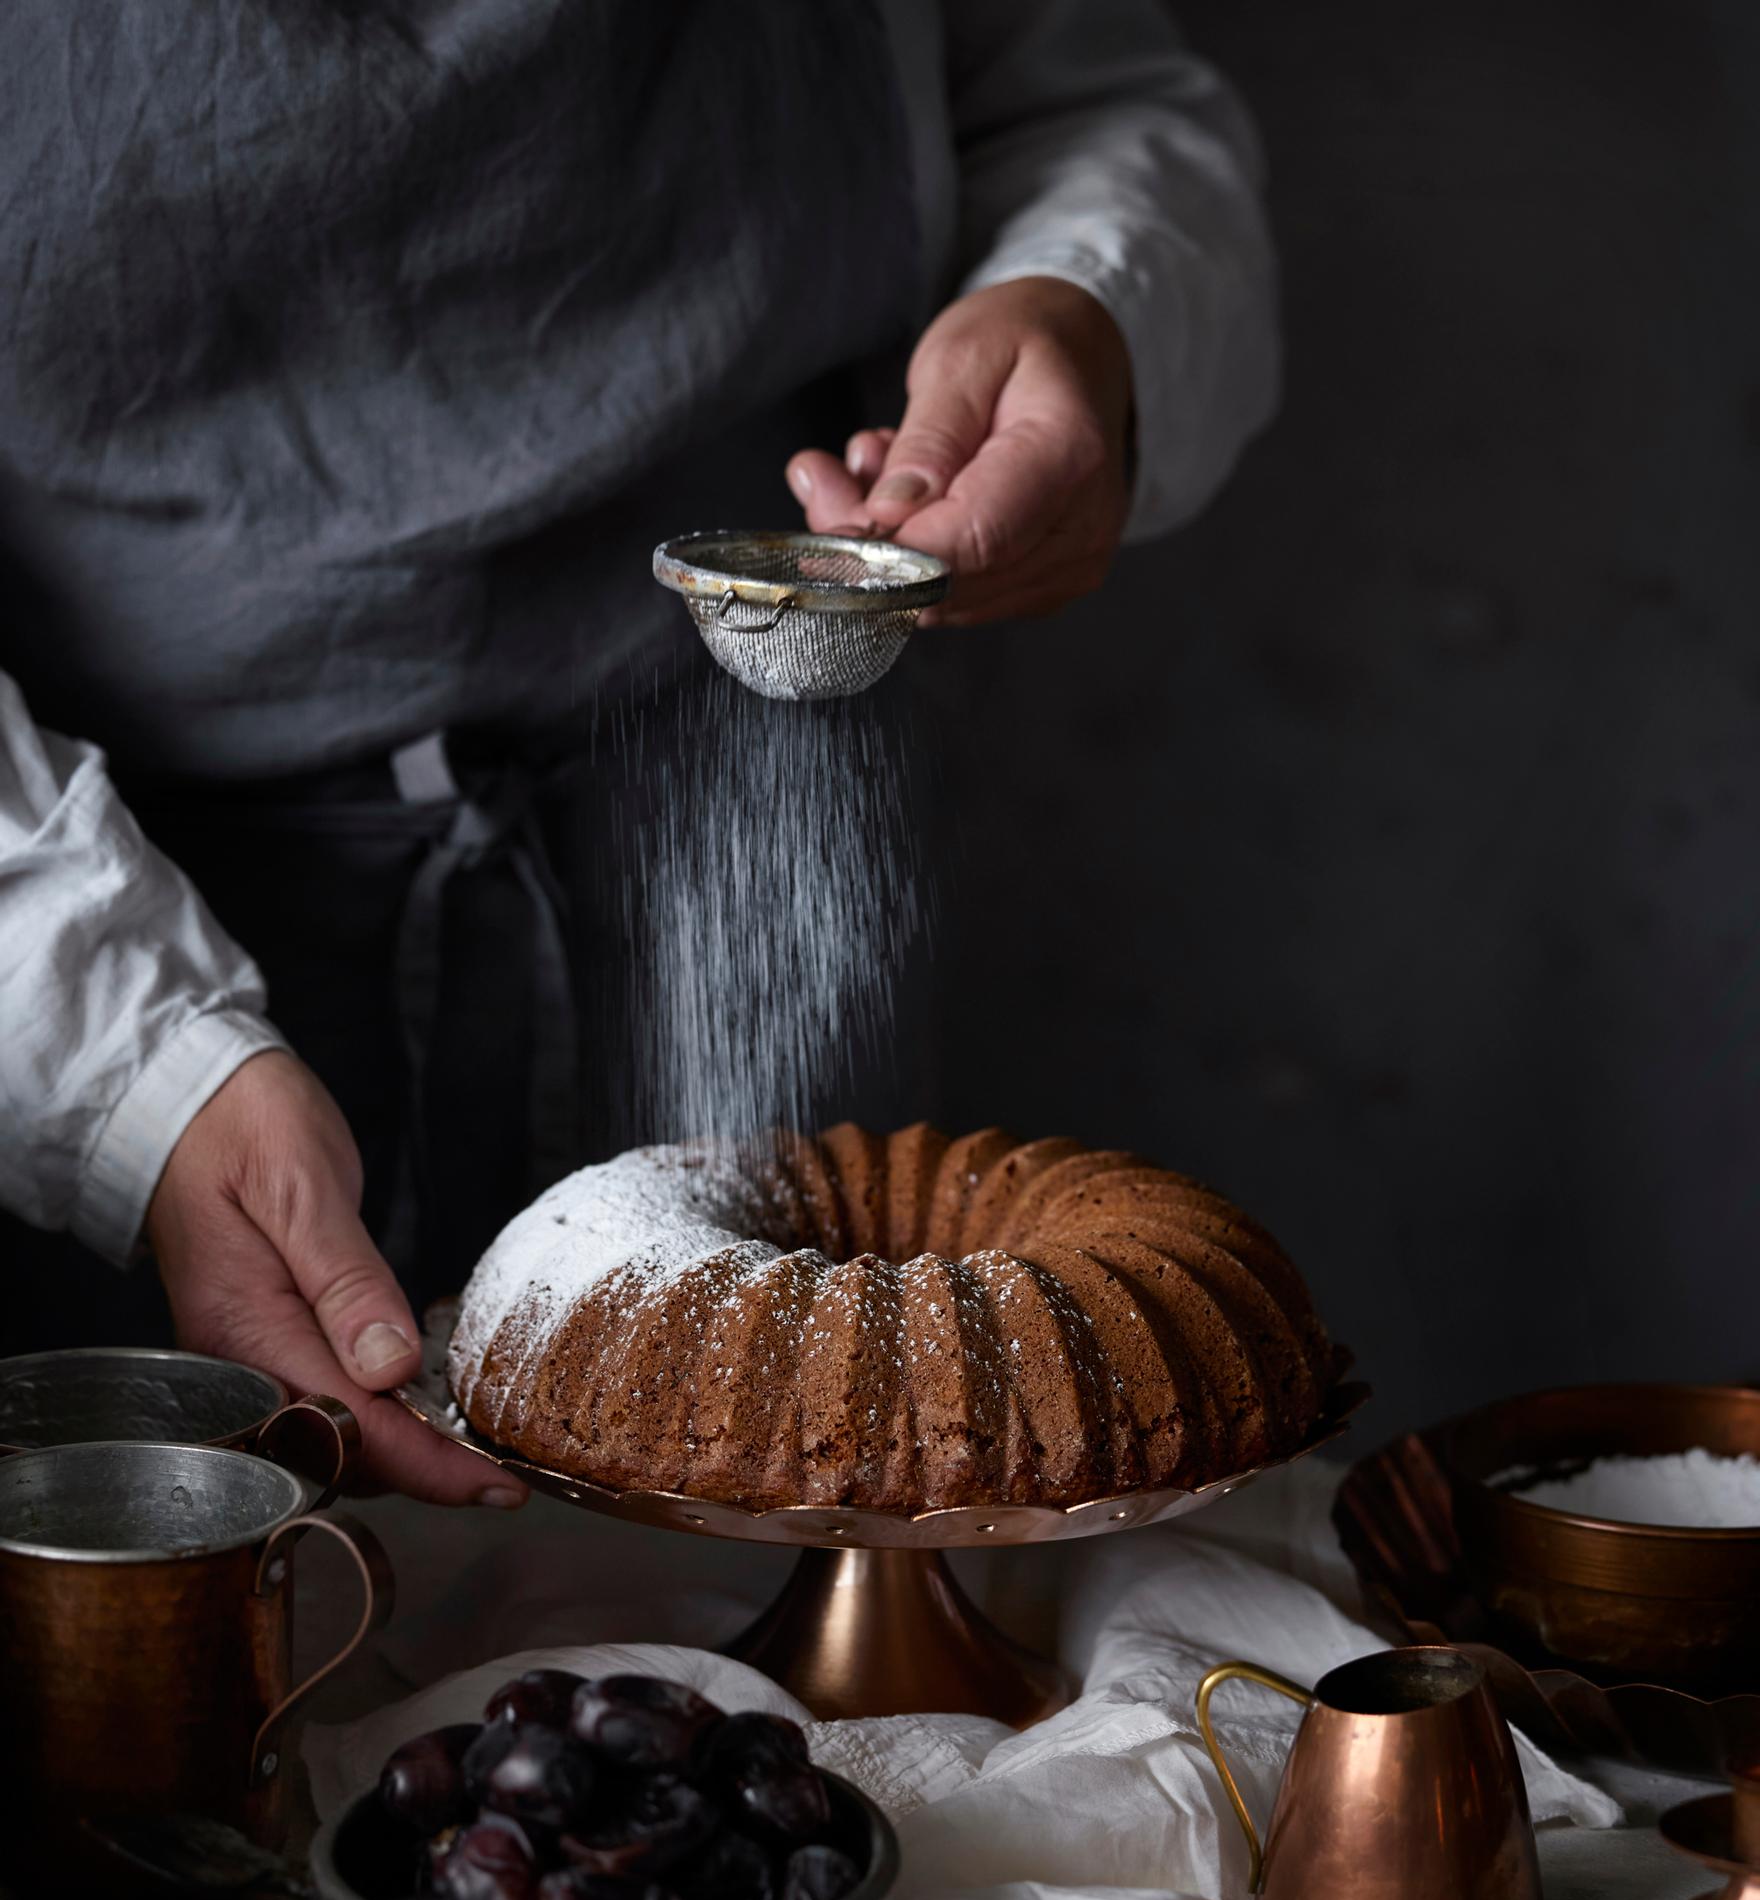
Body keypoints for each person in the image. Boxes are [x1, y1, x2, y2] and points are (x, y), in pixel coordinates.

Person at [0, 2, 1278, 1505]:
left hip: (754, 824)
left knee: (793, 1545)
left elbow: (1064, 84)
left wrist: (1086, 299)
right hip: (109, 888)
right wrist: (125, 1070)